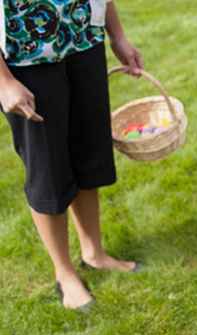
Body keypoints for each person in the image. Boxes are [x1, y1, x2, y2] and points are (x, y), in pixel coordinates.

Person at [0, 0, 143, 311]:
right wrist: (3, 81)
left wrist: (116, 34)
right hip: (26, 56)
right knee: (47, 170)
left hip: (83, 39)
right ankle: (64, 273)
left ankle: (94, 253)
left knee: (89, 154)